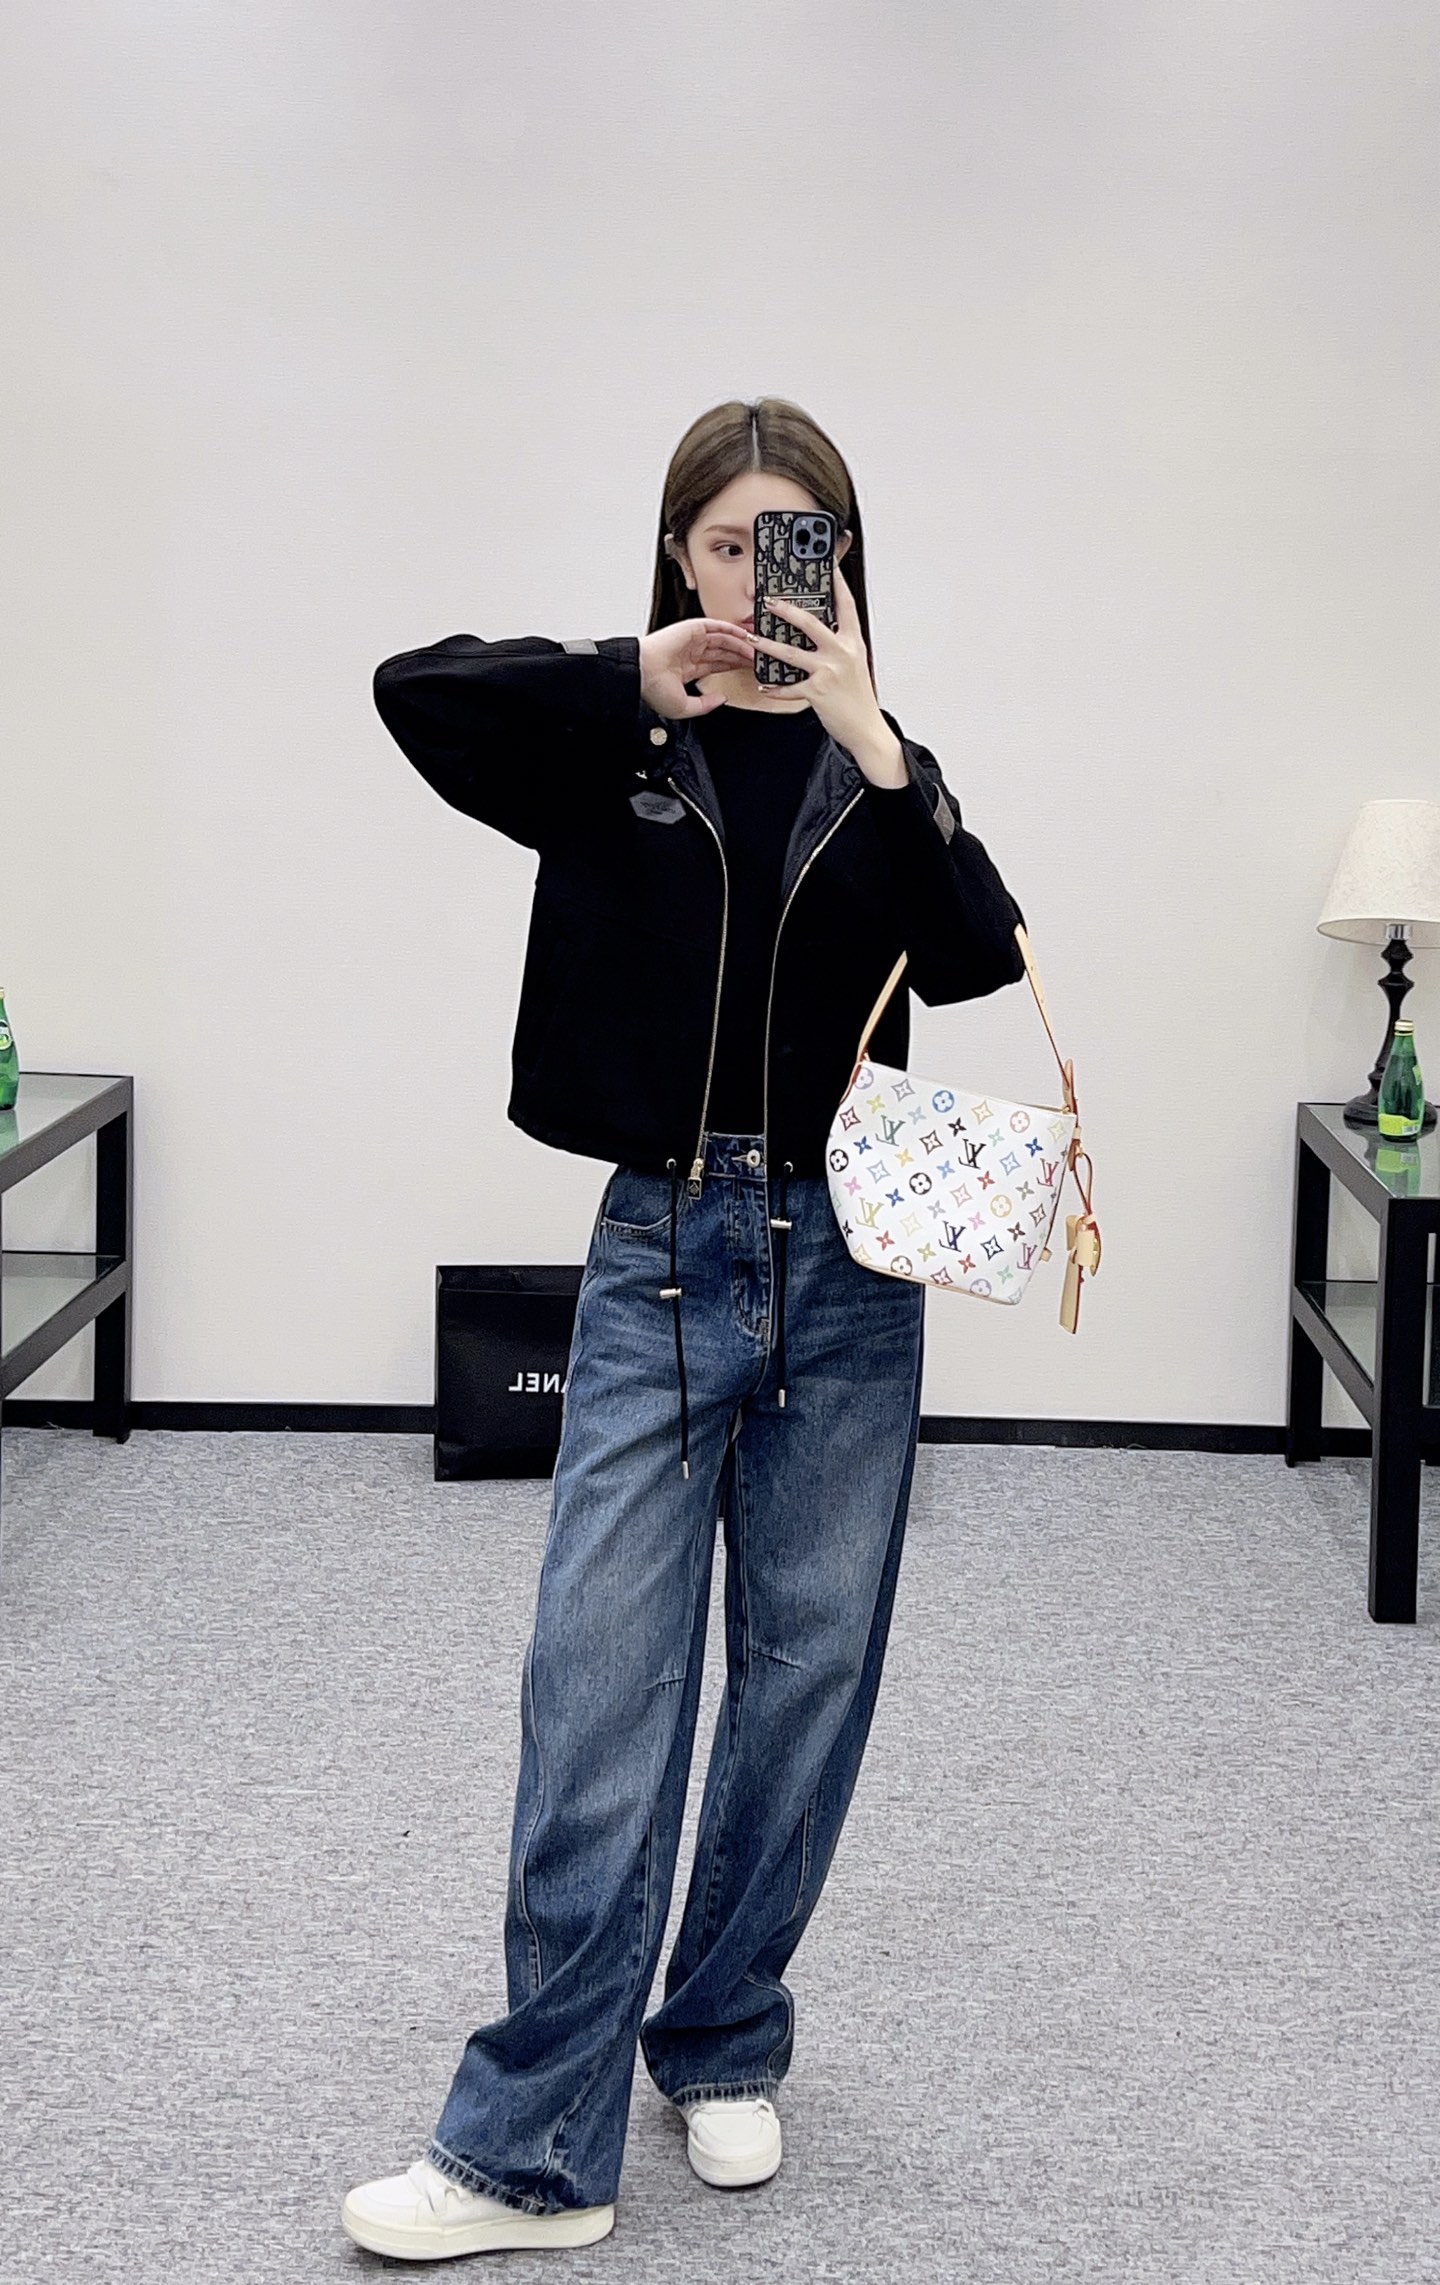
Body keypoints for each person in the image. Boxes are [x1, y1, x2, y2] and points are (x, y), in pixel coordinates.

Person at [343, 396, 1027, 2261]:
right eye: (731, 543)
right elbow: (419, 695)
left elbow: (981, 951)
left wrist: (877, 738)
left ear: (845, 564)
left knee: (806, 1678)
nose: (760, 579)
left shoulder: (875, 769)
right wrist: (632, 674)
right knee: (599, 1684)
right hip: (659, 1242)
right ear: (680, 552)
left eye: (798, 544)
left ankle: (722, 2030)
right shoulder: (612, 745)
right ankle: (528, 2151)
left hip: (851, 1267)